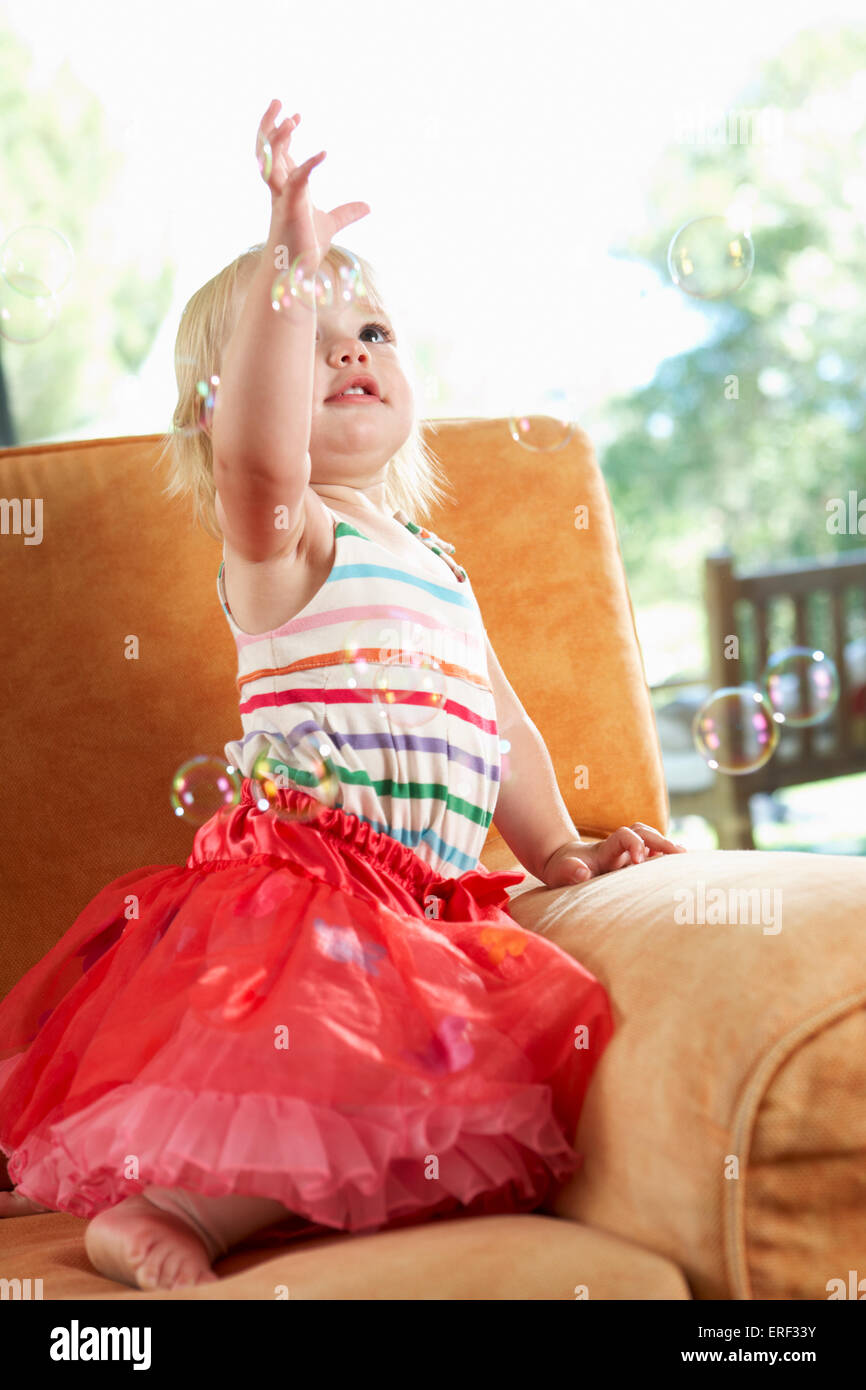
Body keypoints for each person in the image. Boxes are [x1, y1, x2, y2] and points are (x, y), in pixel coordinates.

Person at [0, 99, 686, 1291]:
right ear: (227, 407)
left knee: (449, 1090)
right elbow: (258, 454)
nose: (349, 351)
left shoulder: (434, 561)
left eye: (367, 328)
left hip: (419, 895)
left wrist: (561, 845)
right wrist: (287, 266)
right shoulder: (282, 536)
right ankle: (177, 1213)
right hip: (305, 885)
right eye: (308, 340)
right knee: (310, 1059)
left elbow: (503, 722)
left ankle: (308, 1195)